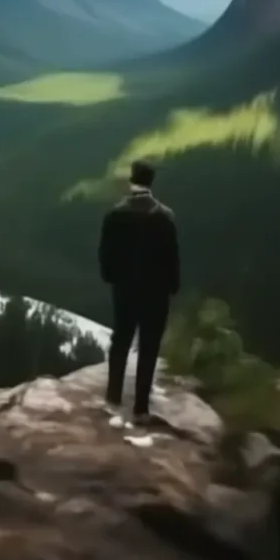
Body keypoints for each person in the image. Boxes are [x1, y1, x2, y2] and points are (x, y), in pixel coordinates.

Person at [97, 159, 179, 424]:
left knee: (120, 340)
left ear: (132, 180)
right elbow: (172, 257)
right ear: (151, 182)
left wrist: (111, 277)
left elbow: (105, 254)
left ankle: (112, 398)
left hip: (124, 289)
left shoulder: (115, 213)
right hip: (155, 291)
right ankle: (141, 407)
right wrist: (172, 285)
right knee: (149, 345)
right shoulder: (165, 216)